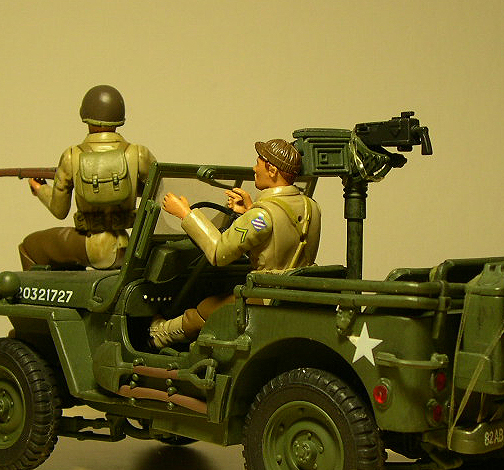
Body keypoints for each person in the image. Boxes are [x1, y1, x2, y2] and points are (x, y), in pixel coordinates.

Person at [150, 138, 321, 348]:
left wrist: (186, 214)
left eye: (258, 163)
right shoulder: (311, 206)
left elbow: (219, 253)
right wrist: (249, 212)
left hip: (267, 296)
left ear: (272, 170)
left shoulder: (262, 215)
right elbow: (277, 231)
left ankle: (161, 335)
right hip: (297, 294)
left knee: (207, 308)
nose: (254, 168)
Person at [20, 85, 157, 270]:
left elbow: (59, 211)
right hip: (127, 247)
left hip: (91, 247)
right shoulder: (138, 153)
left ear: (85, 115)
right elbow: (159, 192)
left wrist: (40, 189)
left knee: (29, 245)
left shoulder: (71, 156)